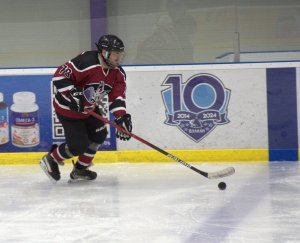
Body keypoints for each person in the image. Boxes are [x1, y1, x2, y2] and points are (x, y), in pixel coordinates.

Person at [40, 34, 132, 183]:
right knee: (78, 146)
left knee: (99, 135)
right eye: (115, 54)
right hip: (68, 109)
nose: (118, 58)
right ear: (104, 52)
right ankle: (51, 159)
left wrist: (121, 117)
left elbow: (116, 97)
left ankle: (80, 170)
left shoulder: (118, 73)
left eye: (120, 54)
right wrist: (73, 94)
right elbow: (59, 77)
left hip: (89, 107)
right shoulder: (86, 61)